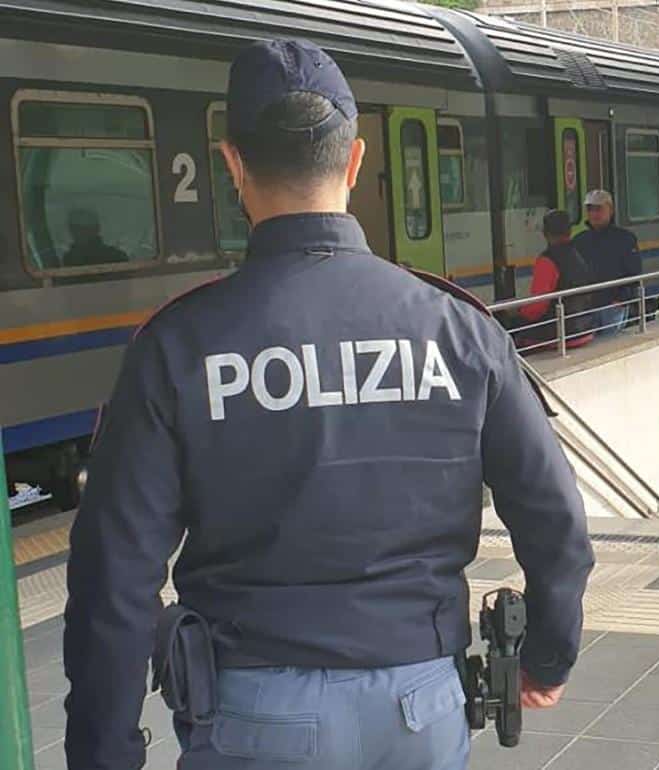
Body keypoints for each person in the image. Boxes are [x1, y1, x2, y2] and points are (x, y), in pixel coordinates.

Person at [62, 38, 594, 770]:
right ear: (355, 161)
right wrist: (549, 654)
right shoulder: (459, 330)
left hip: (253, 713)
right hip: (422, 706)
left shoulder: (178, 345)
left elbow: (114, 572)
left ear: (232, 165)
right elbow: (555, 518)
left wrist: (104, 749)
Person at [515, 209, 598, 350]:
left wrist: (519, 311)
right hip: (585, 330)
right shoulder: (579, 255)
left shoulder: (547, 260)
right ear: (570, 231)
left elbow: (537, 307)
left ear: (545, 233)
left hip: (560, 335)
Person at [573, 189, 640, 335]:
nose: (594, 214)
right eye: (590, 209)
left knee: (611, 342)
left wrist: (622, 300)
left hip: (612, 307)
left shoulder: (625, 239)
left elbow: (634, 272)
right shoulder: (579, 241)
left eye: (598, 209)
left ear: (610, 210)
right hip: (588, 308)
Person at [61, 207, 128, 267]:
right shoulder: (68, 260)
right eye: (77, 228)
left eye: (86, 228)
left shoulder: (117, 257)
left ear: (97, 228)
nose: (82, 232)